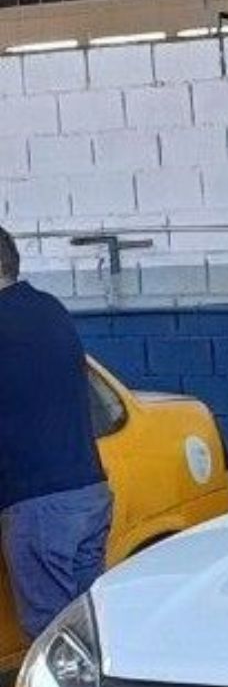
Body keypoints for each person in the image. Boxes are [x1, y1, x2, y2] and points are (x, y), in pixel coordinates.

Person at [0, 226, 113, 640]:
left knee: (54, 644)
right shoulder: (49, 309)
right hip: (88, 493)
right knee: (88, 633)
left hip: (40, 509)